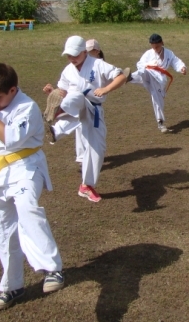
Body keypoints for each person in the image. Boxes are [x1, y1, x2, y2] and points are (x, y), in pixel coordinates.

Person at [0, 63, 64, 310]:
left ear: (12, 90)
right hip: (1, 173)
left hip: (27, 166)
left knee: (27, 207)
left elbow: (10, 138)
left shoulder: (27, 107)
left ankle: (52, 268)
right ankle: (12, 285)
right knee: (2, 227)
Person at [42, 36, 127, 202]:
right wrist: (53, 93)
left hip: (94, 110)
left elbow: (121, 76)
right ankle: (55, 123)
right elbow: (62, 92)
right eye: (69, 55)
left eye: (75, 55)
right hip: (75, 105)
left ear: (84, 52)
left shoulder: (98, 64)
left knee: (98, 149)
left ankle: (86, 186)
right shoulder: (68, 71)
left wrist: (106, 89)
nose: (72, 58)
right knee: (78, 97)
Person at [127, 33, 186, 133]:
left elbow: (176, 61)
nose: (155, 49)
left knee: (157, 99)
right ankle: (129, 77)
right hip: (149, 74)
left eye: (157, 46)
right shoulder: (148, 53)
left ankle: (160, 122)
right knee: (144, 71)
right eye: (153, 47)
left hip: (159, 80)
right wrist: (150, 64)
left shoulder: (169, 53)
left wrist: (182, 68)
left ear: (162, 43)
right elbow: (140, 64)